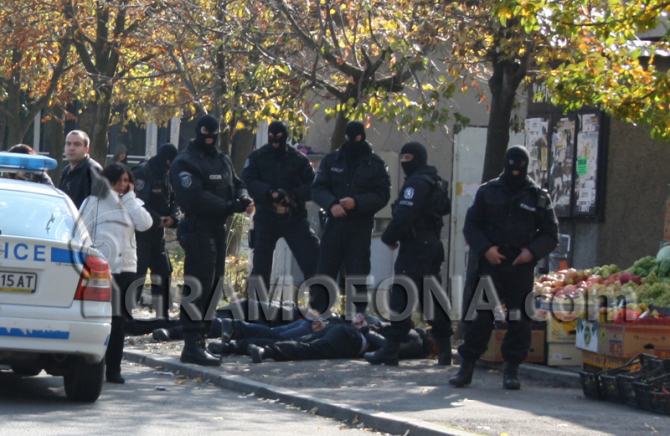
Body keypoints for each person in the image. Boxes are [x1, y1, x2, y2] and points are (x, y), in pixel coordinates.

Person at [450, 145, 558, 390]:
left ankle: (512, 370)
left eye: (520, 165)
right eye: (512, 164)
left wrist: (531, 252)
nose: (515, 170)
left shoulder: (538, 196)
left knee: (519, 320)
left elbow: (551, 234)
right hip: (491, 263)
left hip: (521, 267)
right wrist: (486, 248)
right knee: (480, 318)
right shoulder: (488, 191)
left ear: (527, 165)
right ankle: (466, 366)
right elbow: (471, 226)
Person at [169, 114, 253, 366]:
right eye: (206, 132)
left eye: (214, 132)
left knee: (214, 285)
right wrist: (230, 205)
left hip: (217, 227)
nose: (210, 136)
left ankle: (201, 338)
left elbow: (237, 183)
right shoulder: (185, 162)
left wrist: (244, 198)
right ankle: (191, 342)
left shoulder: (221, 159)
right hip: (197, 228)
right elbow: (194, 197)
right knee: (199, 284)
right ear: (198, 131)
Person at [364, 142, 452, 366]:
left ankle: (390, 349)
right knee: (432, 295)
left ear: (418, 158)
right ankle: (445, 350)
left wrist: (388, 237)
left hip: (415, 246)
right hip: (432, 245)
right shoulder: (436, 181)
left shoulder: (416, 183)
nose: (404, 163)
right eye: (402, 158)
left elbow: (404, 214)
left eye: (408, 158)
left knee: (401, 296)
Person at [79, 163, 153, 384]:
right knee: (96, 317)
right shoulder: (93, 203)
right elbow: (82, 232)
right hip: (100, 269)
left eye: (125, 180)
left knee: (119, 321)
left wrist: (129, 199)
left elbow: (145, 224)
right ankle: (91, 365)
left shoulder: (132, 204)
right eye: (117, 180)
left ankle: (114, 369)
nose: (122, 185)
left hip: (126, 270)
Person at [310, 121, 391, 315]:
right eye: (348, 138)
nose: (351, 142)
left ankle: (358, 317)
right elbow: (317, 188)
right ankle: (316, 316)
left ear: (361, 137)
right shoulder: (332, 160)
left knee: (358, 273)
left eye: (354, 139)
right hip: (334, 225)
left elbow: (382, 195)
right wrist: (332, 204)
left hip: (359, 226)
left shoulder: (375, 164)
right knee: (325, 272)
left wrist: (357, 202)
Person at [242, 120, 320, 291]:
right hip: (266, 216)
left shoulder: (298, 159)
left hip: (293, 217)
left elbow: (313, 185)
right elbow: (248, 180)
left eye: (279, 138)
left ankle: (320, 306)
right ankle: (258, 309)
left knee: (312, 260)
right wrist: (269, 193)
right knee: (261, 266)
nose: (275, 142)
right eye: (272, 137)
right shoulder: (257, 157)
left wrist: (292, 195)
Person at [132, 143, 179, 319]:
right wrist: (157, 220)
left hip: (159, 235)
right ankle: (127, 315)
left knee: (163, 271)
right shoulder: (143, 172)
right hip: (141, 233)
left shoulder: (168, 175)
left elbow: (176, 199)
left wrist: (173, 217)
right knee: (138, 273)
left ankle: (162, 313)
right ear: (166, 160)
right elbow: (138, 203)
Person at [246, 314, 385, 363]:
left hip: (348, 335)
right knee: (311, 347)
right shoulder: (385, 328)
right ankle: (266, 351)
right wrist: (363, 327)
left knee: (301, 342)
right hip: (351, 337)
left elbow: (388, 346)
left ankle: (233, 347)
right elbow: (386, 345)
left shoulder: (395, 331)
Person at [60, 130, 103, 209]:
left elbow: (96, 207)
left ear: (87, 149)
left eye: (77, 144)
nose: (71, 148)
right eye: (68, 144)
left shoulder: (93, 170)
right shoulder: (66, 170)